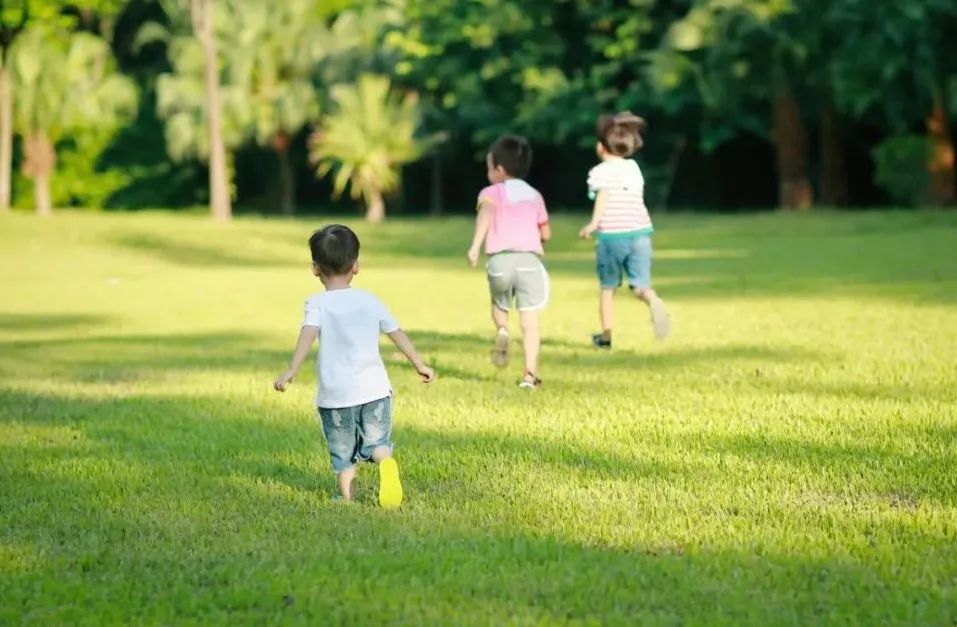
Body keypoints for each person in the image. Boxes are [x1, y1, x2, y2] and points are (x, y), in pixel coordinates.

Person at [273, 224, 434, 507]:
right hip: (374, 391)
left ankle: (346, 498)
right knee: (377, 442)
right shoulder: (370, 300)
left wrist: (292, 370)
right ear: (355, 266)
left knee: (342, 450)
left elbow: (307, 334)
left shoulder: (317, 303)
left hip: (336, 396)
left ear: (315, 268)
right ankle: (385, 461)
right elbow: (397, 333)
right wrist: (419, 364)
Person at [579, 111, 670, 348]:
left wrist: (593, 224)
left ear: (601, 147)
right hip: (640, 234)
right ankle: (653, 301)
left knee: (608, 288)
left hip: (612, 238)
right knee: (640, 286)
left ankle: (606, 336)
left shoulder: (599, 173)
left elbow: (604, 196)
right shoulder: (634, 169)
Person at [467, 135, 551, 389]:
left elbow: (486, 214)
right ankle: (529, 375)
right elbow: (545, 233)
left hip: (499, 261)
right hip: (528, 261)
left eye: (489, 167)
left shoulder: (491, 193)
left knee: (499, 302)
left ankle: (502, 329)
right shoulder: (534, 195)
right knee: (530, 321)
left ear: (499, 170)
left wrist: (475, 247)